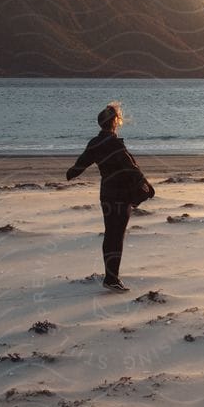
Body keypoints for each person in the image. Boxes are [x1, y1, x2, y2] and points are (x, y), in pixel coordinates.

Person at [66, 101, 153, 292]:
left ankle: (111, 275)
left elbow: (80, 165)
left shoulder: (95, 143)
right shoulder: (113, 143)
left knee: (110, 234)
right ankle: (111, 278)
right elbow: (132, 168)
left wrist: (72, 172)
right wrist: (147, 186)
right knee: (116, 235)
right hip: (120, 194)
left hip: (106, 194)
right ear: (115, 122)